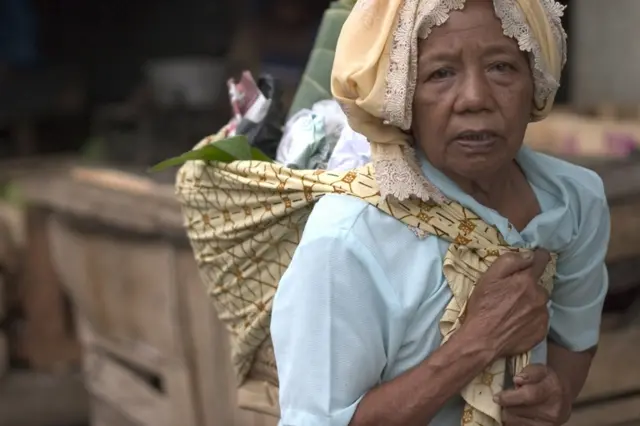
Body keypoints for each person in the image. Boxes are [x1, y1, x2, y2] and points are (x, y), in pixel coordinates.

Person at [270, 1, 610, 425]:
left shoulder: (573, 201)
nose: (475, 99)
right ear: (402, 98)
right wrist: (477, 342)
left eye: (501, 67)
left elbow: (574, 342)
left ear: (536, 81)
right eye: (440, 74)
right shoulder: (349, 238)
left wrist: (556, 393)